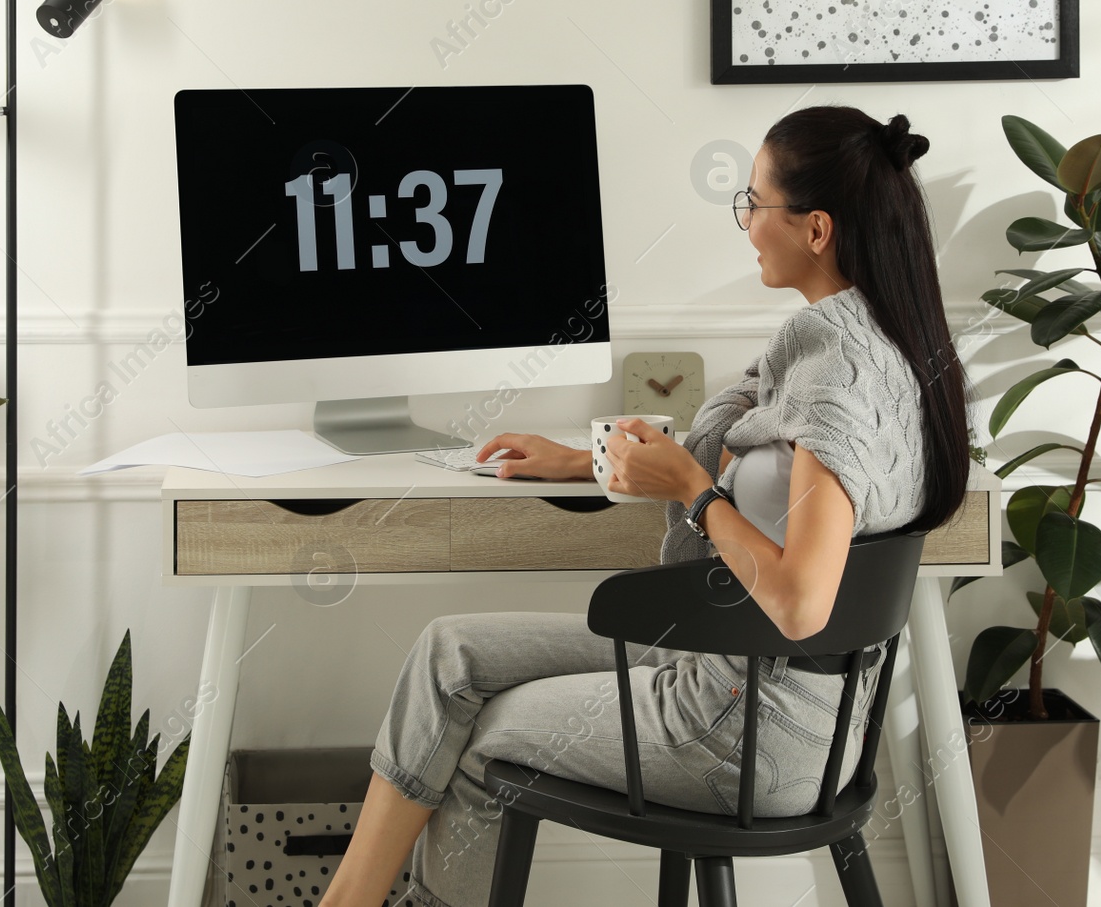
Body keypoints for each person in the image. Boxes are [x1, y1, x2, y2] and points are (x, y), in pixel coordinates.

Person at [318, 106, 971, 907]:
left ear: (816, 228)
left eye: (755, 203)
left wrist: (695, 499)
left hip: (746, 724)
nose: (745, 224)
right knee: (450, 653)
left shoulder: (836, 370)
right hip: (759, 691)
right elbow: (753, 462)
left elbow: (801, 602)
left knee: (482, 738)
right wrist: (580, 461)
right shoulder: (884, 339)